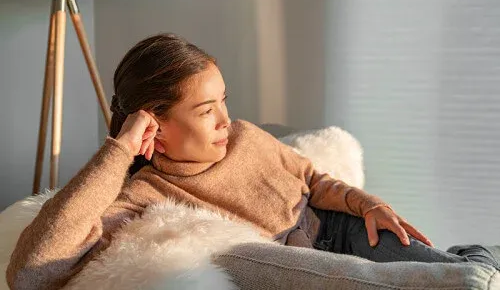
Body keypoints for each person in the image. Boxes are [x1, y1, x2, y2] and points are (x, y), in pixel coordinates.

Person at [6, 33, 499, 290]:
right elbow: (31, 274)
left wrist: (363, 202)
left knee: (454, 273)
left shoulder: (244, 135)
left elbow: (311, 176)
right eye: (205, 110)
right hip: (295, 268)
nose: (226, 120)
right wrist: (121, 146)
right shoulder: (143, 195)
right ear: (155, 128)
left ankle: (476, 257)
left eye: (224, 100)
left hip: (341, 228)